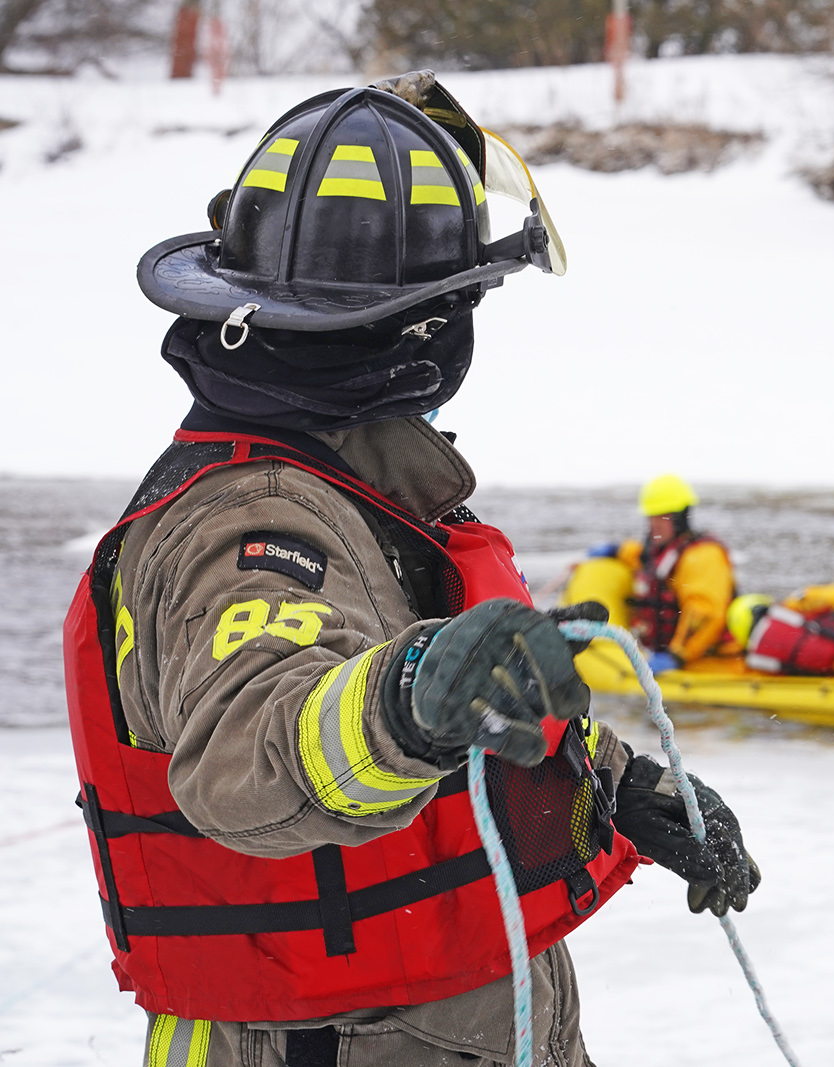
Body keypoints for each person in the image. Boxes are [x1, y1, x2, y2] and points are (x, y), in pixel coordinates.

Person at [64, 74, 756, 1067]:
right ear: (424, 327)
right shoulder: (253, 519)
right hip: (333, 1039)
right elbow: (251, 741)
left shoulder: (354, 485)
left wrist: (621, 787)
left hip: (438, 1024)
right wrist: (402, 703)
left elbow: (460, 712)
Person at [589, 474, 737, 674]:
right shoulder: (661, 550)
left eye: (662, 516)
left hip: (708, 661)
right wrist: (616, 550)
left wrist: (677, 655)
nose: (654, 523)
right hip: (669, 656)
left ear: (680, 517)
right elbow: (641, 558)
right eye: (651, 516)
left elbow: (705, 614)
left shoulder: (703, 556)